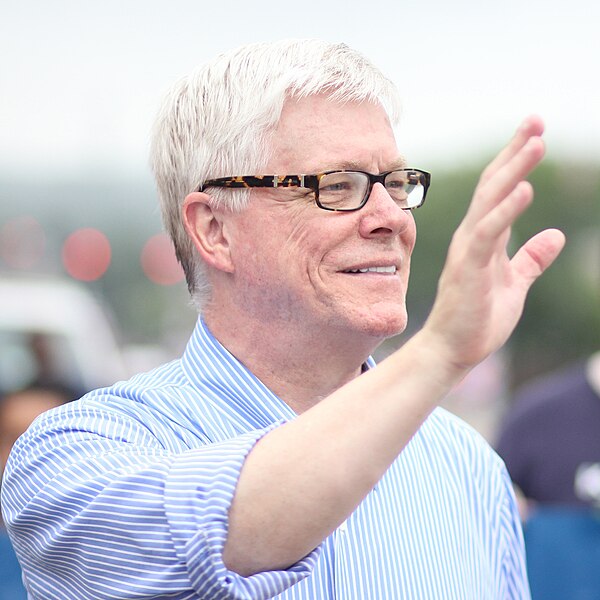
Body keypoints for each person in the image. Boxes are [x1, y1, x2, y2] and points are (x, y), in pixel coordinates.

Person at [0, 39, 565, 599]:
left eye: (395, 183)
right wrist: (438, 352)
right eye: (337, 186)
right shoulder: (75, 454)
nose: (391, 217)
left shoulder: (466, 467)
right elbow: (219, 535)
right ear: (214, 230)